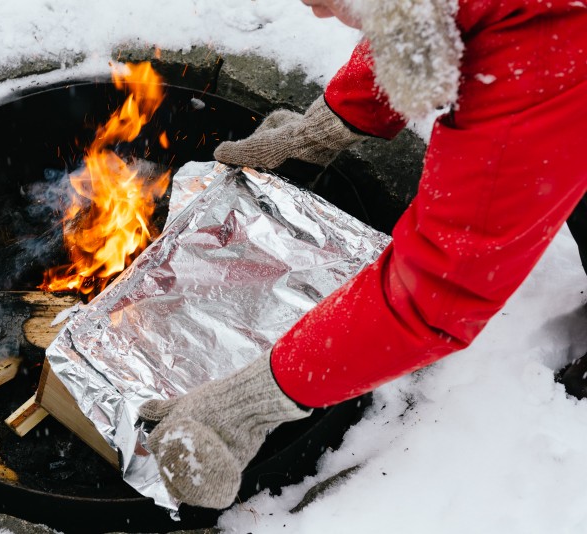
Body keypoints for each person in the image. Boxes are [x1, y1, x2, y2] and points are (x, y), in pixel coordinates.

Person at [139, 0, 587, 509]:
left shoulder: (541, 67)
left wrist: (242, 409)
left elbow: (435, 294)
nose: (319, 15)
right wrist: (322, 130)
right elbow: (424, 20)